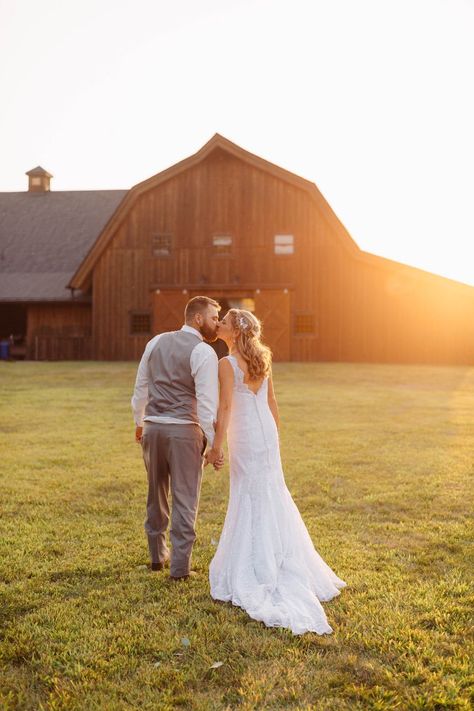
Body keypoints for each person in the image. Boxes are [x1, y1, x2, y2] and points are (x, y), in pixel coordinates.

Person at [209, 309, 346, 634]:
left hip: (245, 435)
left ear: (236, 332)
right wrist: (275, 439)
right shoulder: (262, 358)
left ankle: (259, 564)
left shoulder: (226, 364)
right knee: (270, 492)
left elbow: (226, 407)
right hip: (267, 435)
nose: (220, 325)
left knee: (250, 494)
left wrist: (217, 446)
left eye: (224, 322)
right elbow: (272, 401)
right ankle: (278, 551)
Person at [131, 296, 224, 581]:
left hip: (153, 429)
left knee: (155, 493)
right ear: (198, 318)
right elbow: (208, 404)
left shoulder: (155, 342)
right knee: (186, 498)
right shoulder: (204, 352)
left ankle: (157, 557)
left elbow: (141, 387)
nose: (216, 324)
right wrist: (214, 446)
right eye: (213, 318)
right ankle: (180, 569)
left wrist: (139, 422)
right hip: (184, 432)